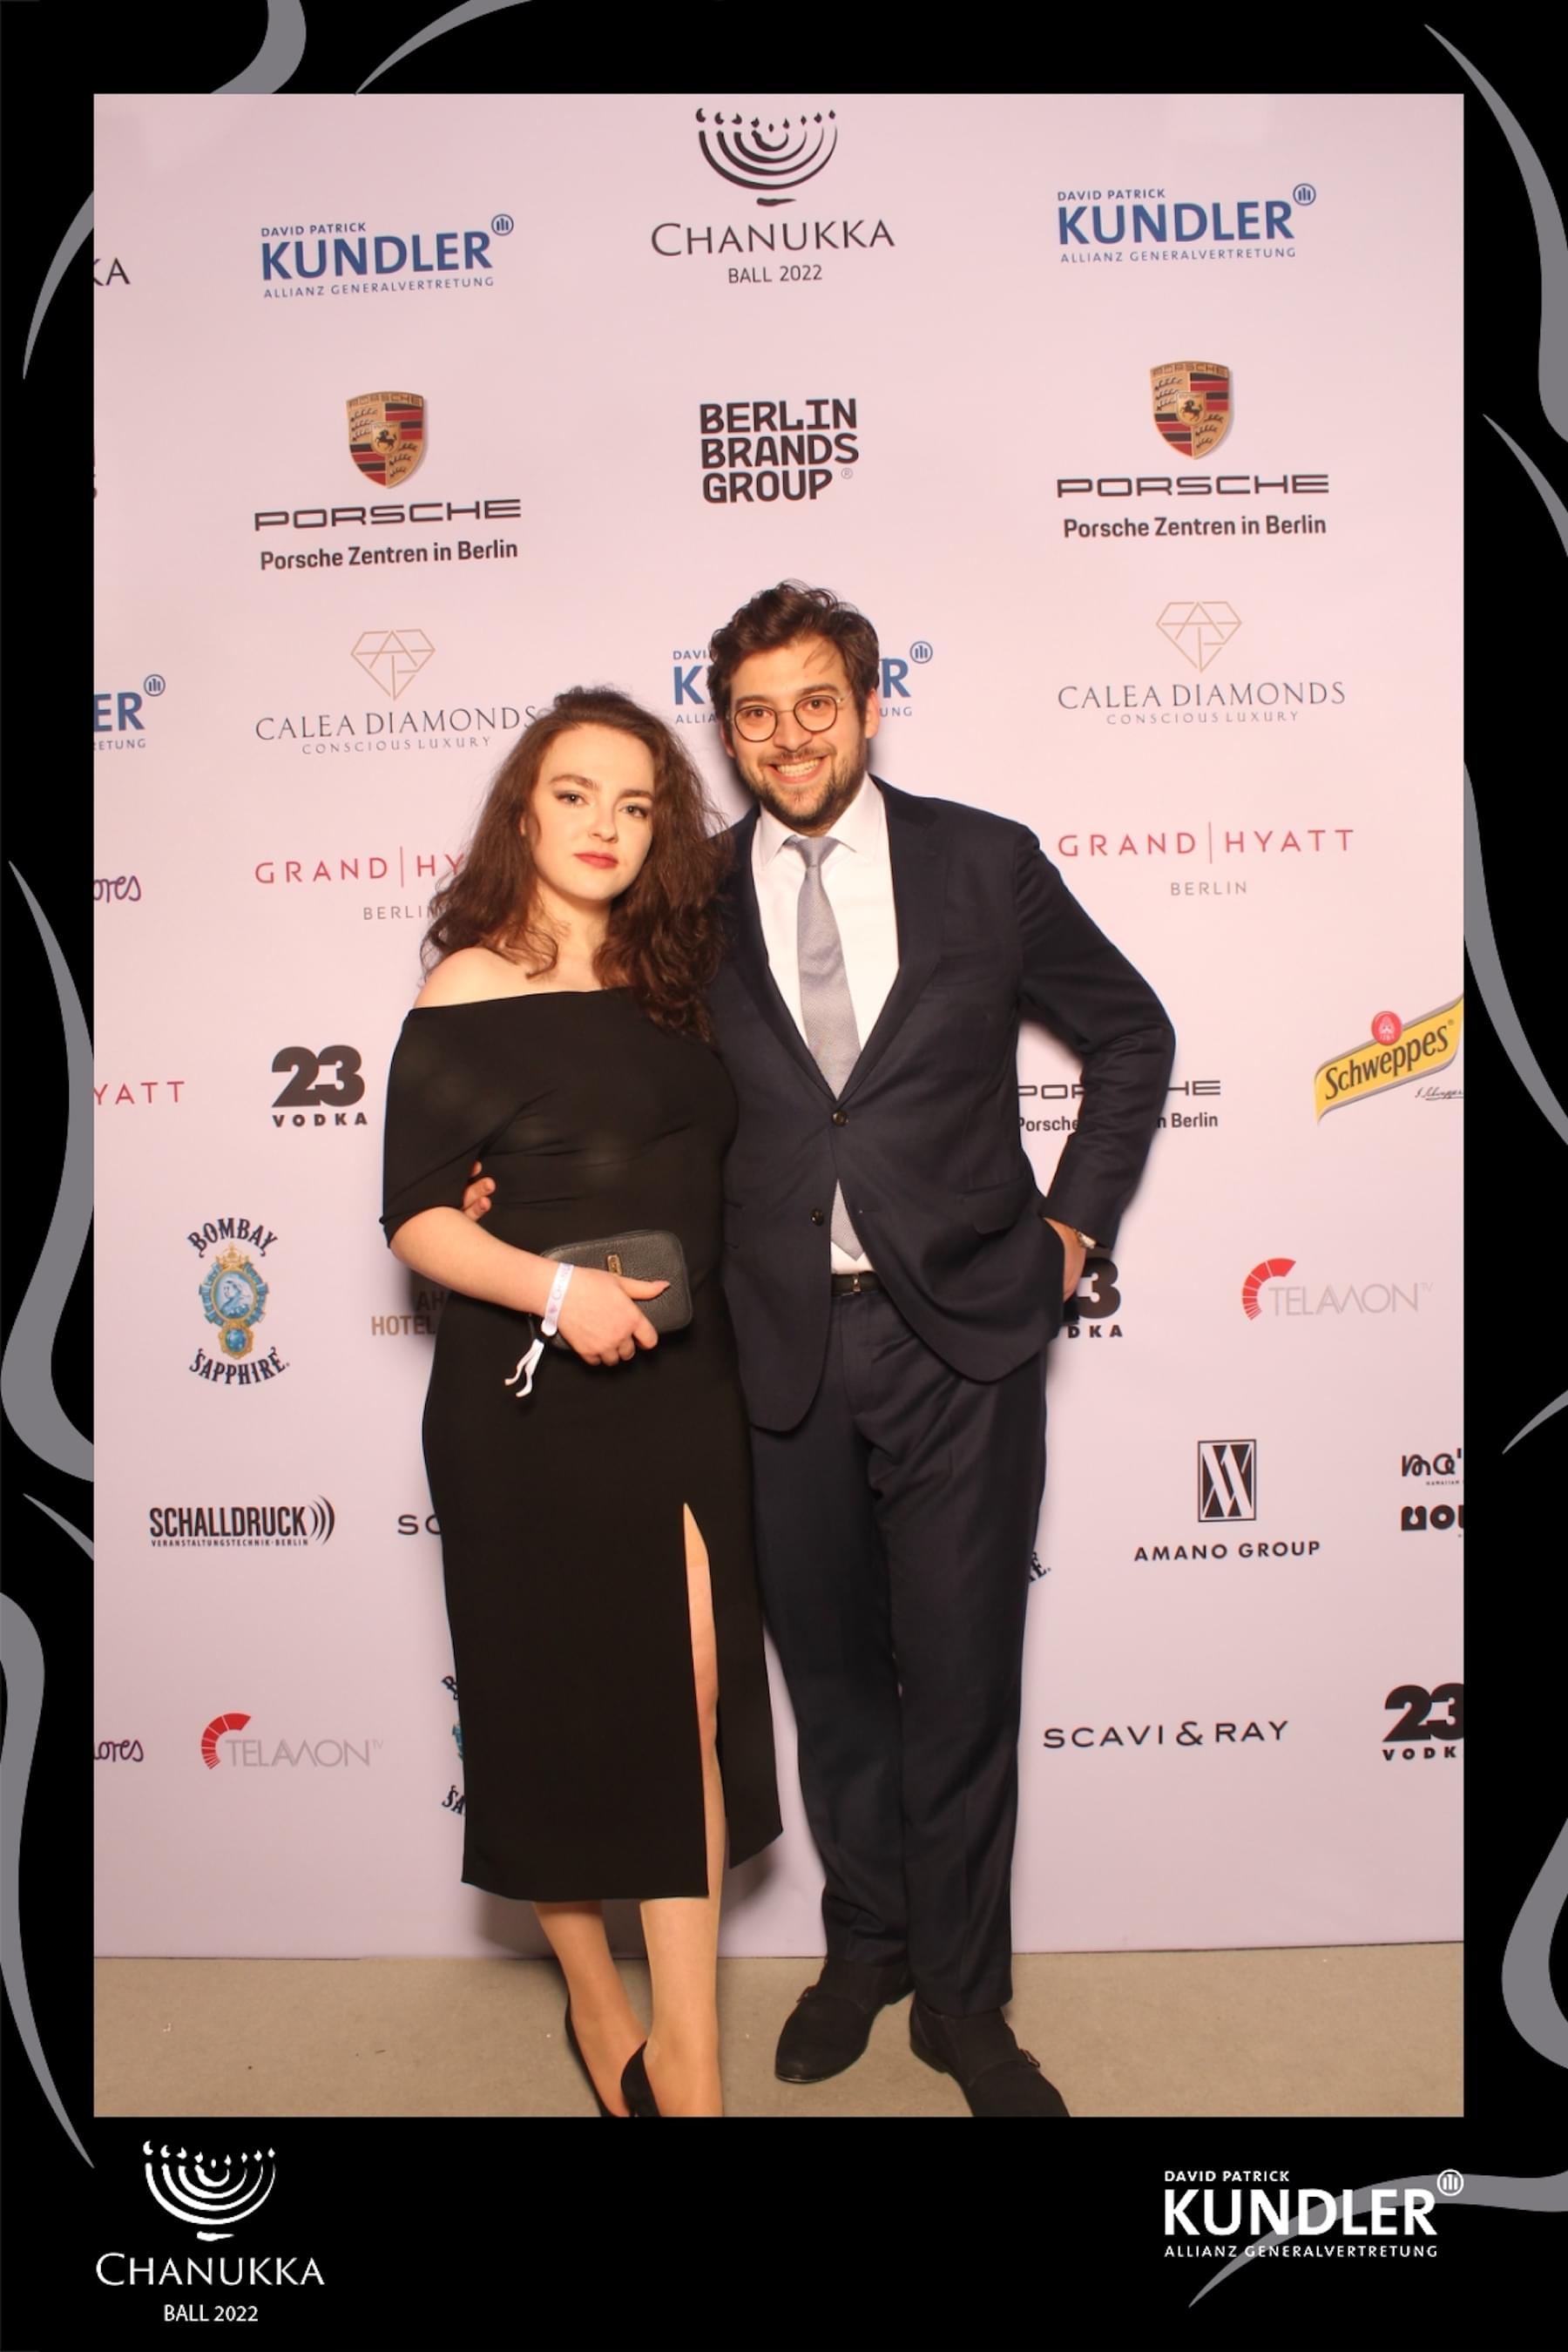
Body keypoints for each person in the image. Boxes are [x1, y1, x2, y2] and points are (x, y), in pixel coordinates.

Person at [468, 585, 1174, 2117]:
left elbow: (1133, 1034)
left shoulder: (985, 862)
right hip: (772, 1348)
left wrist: (1074, 1227)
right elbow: (595, 1068)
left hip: (962, 1339)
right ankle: (867, 1953)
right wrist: (493, 1181)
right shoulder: (687, 897)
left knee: (964, 1679)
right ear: (728, 734)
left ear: (867, 706)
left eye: (815, 704)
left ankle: (967, 2006)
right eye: (755, 714)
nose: (787, 737)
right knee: (834, 1683)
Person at [381, 686, 781, 2121]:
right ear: (525, 810)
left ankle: (688, 2051)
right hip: (529, 1398)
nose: (604, 825)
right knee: (546, 1703)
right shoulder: (468, 987)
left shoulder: (680, 979)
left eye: (635, 803)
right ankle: (609, 2015)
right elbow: (418, 1216)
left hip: (688, 1381)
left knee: (693, 1689)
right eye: (573, 794)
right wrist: (557, 1292)